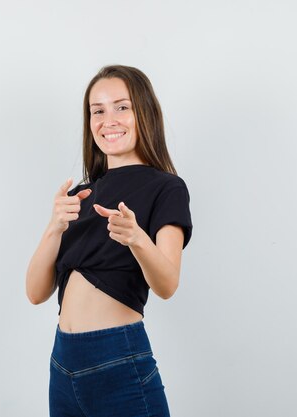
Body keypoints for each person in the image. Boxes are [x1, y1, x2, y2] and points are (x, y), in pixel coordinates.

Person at [25, 64, 193, 417]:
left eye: (121, 107)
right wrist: (53, 227)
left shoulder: (166, 187)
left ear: (144, 112)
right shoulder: (80, 194)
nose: (108, 119)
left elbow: (167, 284)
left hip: (117, 358)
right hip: (62, 362)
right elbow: (36, 293)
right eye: (97, 111)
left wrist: (137, 239)